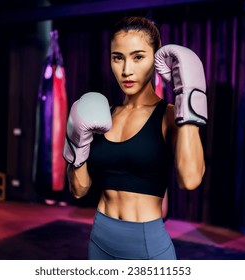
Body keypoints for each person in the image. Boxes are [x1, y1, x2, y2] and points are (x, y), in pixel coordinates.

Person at [63, 16, 207, 260]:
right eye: (118, 57)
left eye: (138, 57)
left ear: (156, 59)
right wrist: (76, 144)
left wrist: (189, 100)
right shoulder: (102, 116)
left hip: (146, 244)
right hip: (99, 239)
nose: (126, 70)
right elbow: (79, 190)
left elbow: (190, 180)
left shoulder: (170, 115)